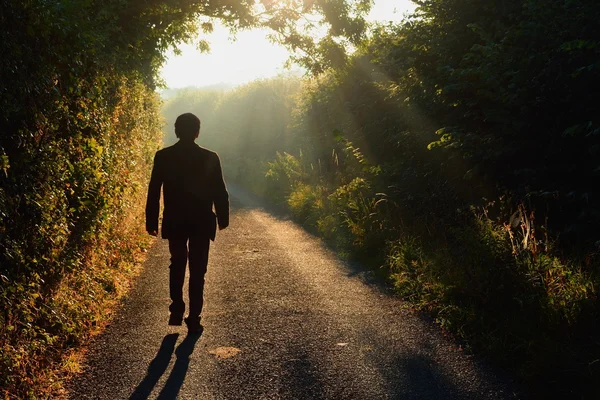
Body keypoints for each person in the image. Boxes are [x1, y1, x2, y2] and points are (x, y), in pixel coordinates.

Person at [145, 112, 229, 334]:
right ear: (197, 132)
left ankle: (176, 306)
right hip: (201, 221)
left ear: (176, 131)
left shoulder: (163, 156)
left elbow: (154, 190)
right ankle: (194, 316)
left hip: (175, 220)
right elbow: (220, 190)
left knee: (178, 262)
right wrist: (223, 218)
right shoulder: (211, 157)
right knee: (198, 269)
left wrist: (151, 221)